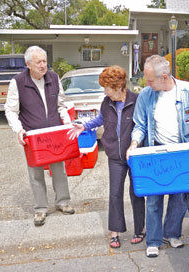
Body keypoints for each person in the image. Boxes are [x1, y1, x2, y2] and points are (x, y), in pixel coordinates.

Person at [126, 55, 189, 258]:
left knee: (179, 197)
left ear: (164, 76)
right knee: (153, 197)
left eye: (149, 80)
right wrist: (133, 144)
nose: (146, 84)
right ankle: (153, 240)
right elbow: (139, 125)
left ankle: (172, 234)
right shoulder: (146, 95)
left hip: (182, 151)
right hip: (156, 151)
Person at [68, 65, 145, 248]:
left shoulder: (136, 100)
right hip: (115, 155)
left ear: (118, 86)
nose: (105, 91)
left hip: (135, 155)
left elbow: (143, 124)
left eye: (107, 88)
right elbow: (101, 119)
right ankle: (115, 231)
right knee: (115, 193)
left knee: (137, 193)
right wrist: (84, 126)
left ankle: (140, 229)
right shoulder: (106, 102)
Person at [4, 46, 75, 227]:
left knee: (59, 170)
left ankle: (63, 202)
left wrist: (67, 125)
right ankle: (40, 209)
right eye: (39, 62)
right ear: (28, 64)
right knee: (35, 174)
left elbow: (61, 105)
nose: (43, 66)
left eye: (45, 61)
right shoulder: (18, 82)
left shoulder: (53, 77)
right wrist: (19, 130)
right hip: (33, 137)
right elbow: (11, 110)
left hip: (54, 134)